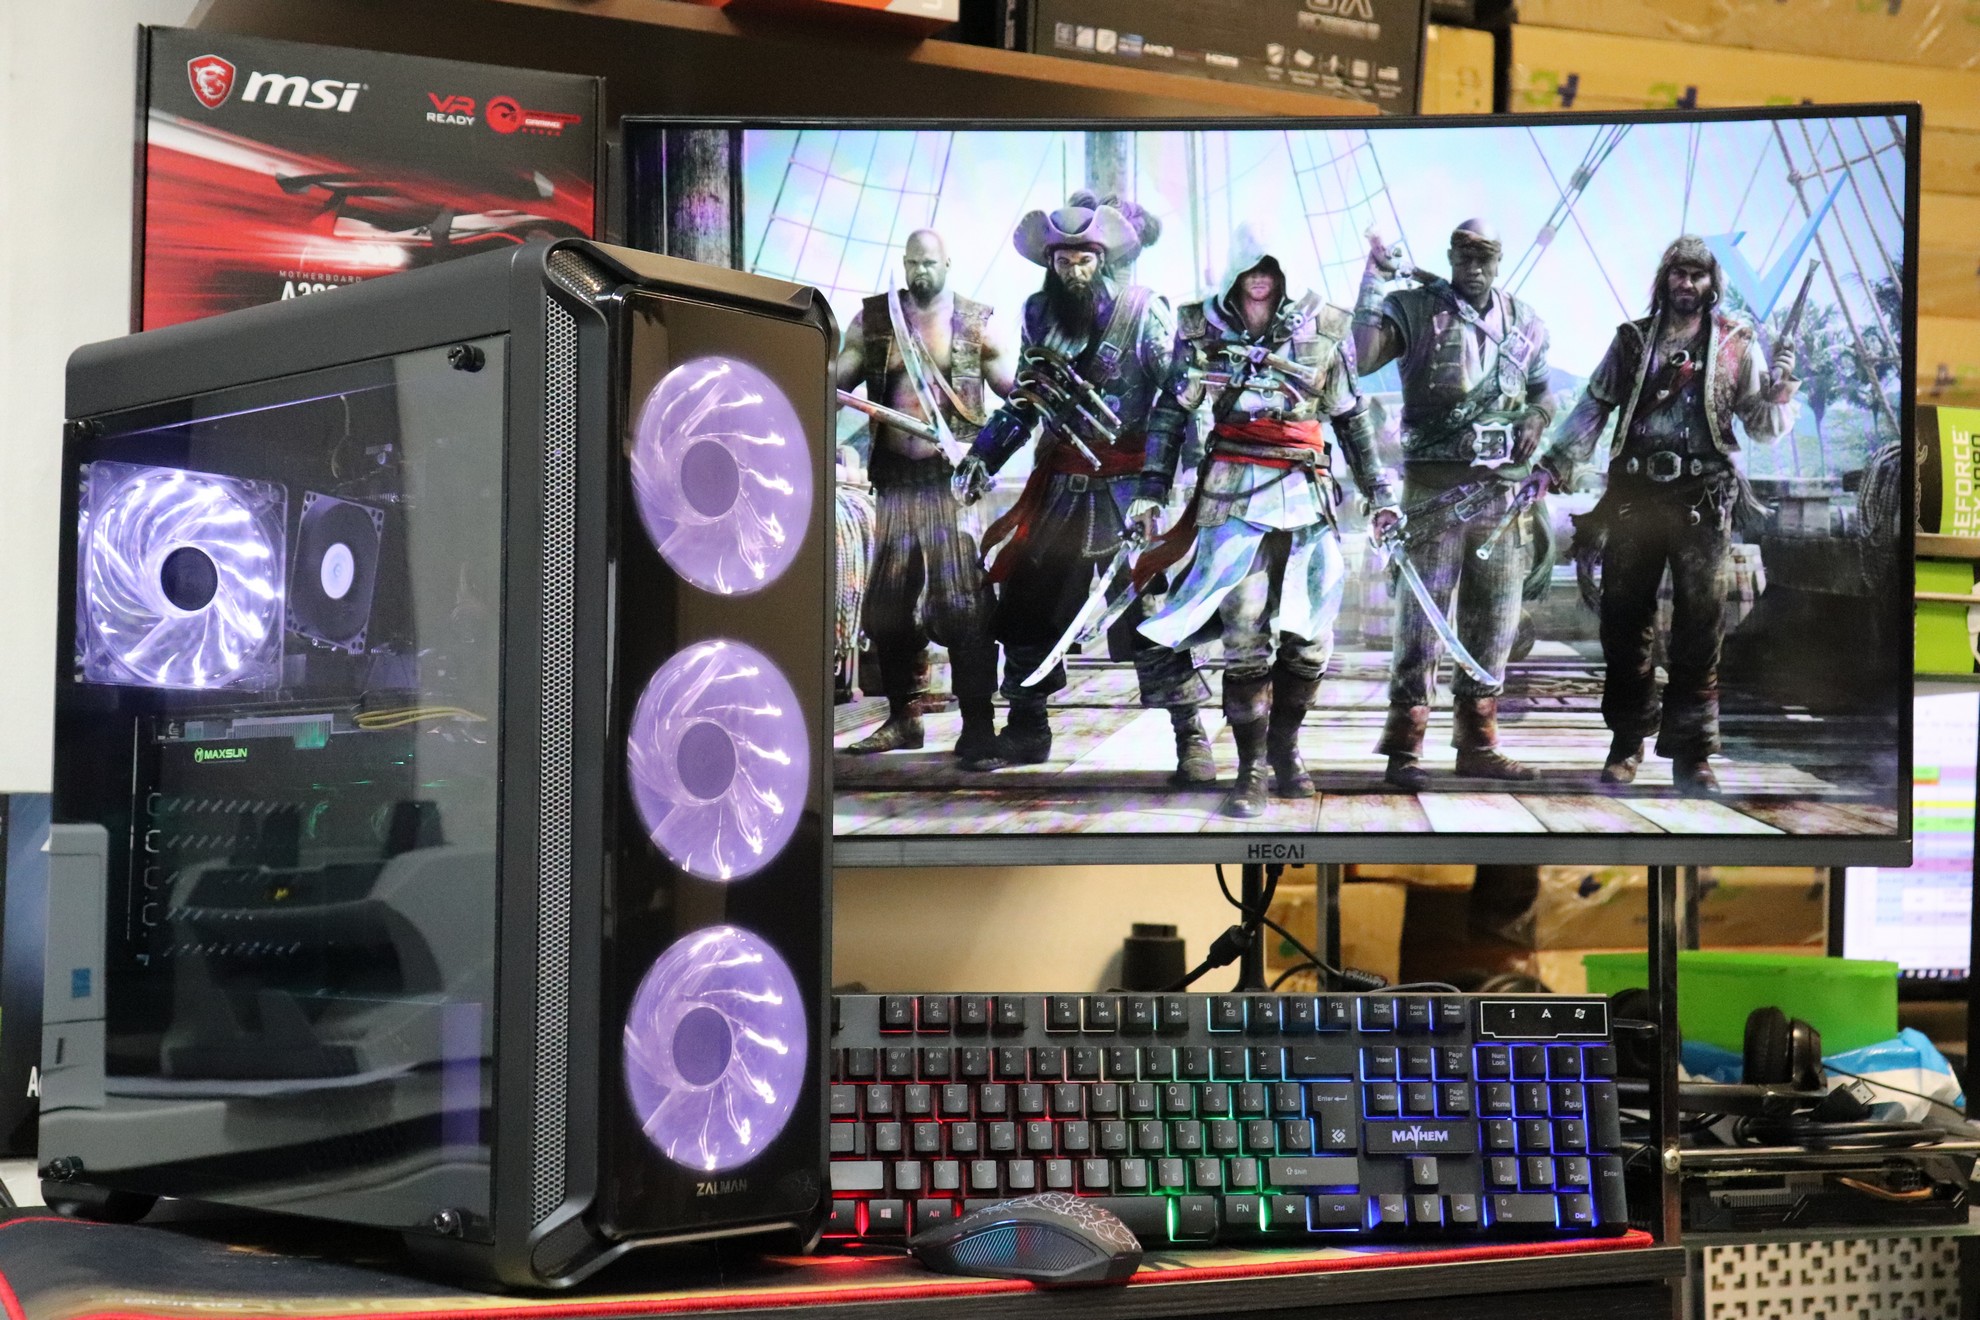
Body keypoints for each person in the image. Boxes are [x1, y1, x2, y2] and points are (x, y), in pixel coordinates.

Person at [1132, 256, 1397, 817]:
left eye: (1270, 270)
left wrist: (1380, 494)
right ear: (1232, 275)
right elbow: (1170, 413)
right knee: (1244, 629)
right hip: (1232, 494)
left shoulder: (1326, 327)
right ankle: (1250, 769)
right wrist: (1151, 489)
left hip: (1306, 493)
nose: (1259, 280)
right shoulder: (1199, 329)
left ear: (1285, 276)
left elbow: (1350, 416)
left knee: (1311, 634)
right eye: (1250, 270)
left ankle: (1285, 749)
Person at [1539, 235, 1799, 795]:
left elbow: (1759, 425)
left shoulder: (1737, 343)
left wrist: (1779, 395)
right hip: (1634, 496)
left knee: (1700, 627)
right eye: (1679, 273)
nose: (1687, 284)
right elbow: (1593, 405)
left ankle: (1692, 753)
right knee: (1622, 621)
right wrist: (1553, 465)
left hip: (1703, 498)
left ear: (1711, 284)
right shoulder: (1632, 341)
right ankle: (1626, 740)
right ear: (1665, 280)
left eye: (1697, 275)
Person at [953, 203, 1176, 770]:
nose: (1074, 272)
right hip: (1063, 486)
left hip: (1131, 490)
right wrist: (983, 455)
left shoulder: (1144, 312)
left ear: (1101, 260)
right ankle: (1028, 728)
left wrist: (1159, 483)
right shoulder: (1038, 313)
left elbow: (1178, 403)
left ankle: (1189, 735)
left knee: (1157, 611)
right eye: (1063, 262)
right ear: (1049, 264)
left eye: (1084, 261)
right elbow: (1028, 400)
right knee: (1027, 604)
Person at [1352, 219, 1557, 790]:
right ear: (1449, 257)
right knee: (1420, 624)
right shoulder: (1414, 308)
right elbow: (1361, 355)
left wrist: (1537, 417)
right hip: (1432, 494)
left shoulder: (1526, 322)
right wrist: (1374, 276)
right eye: (1464, 256)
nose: (1474, 267)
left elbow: (1542, 389)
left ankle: (1479, 744)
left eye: (1484, 257)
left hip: (1501, 495)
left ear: (1499, 260)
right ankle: (1404, 749)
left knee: (1494, 622)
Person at [833, 229, 1013, 764]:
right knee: (888, 607)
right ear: (904, 263)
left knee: (964, 605)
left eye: (929, 263)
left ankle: (978, 725)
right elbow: (833, 382)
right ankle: (903, 719)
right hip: (894, 484)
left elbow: (1018, 396)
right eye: (913, 263)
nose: (920, 272)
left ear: (947, 263)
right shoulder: (873, 321)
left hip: (950, 485)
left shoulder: (976, 323)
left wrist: (991, 449)